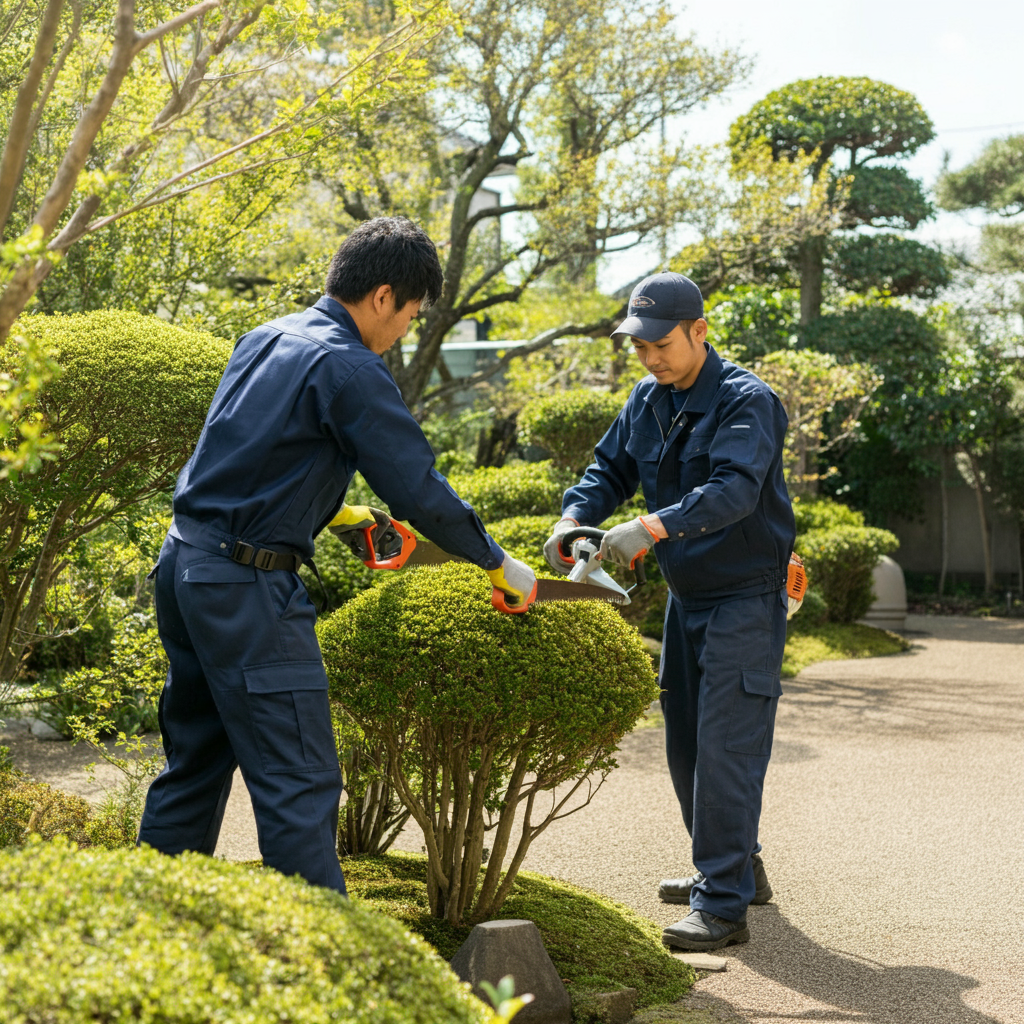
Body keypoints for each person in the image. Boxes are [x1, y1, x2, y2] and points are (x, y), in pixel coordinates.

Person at [138, 217, 536, 894]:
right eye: (411, 313)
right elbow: (418, 487)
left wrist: (341, 513)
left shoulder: (266, 338)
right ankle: (325, 972)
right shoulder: (349, 367)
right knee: (300, 782)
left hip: (185, 568)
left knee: (194, 768)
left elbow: (248, 458)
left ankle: (136, 948)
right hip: (244, 590)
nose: (406, 328)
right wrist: (496, 561)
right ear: (383, 296)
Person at [543, 272, 795, 951]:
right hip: (689, 600)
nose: (650, 357)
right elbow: (608, 471)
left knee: (725, 748)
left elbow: (733, 492)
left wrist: (650, 528)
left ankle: (722, 905)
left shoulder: (746, 401)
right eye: (639, 346)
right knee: (685, 743)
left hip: (745, 597)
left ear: (699, 332)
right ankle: (735, 869)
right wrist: (575, 518)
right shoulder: (648, 400)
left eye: (661, 344)